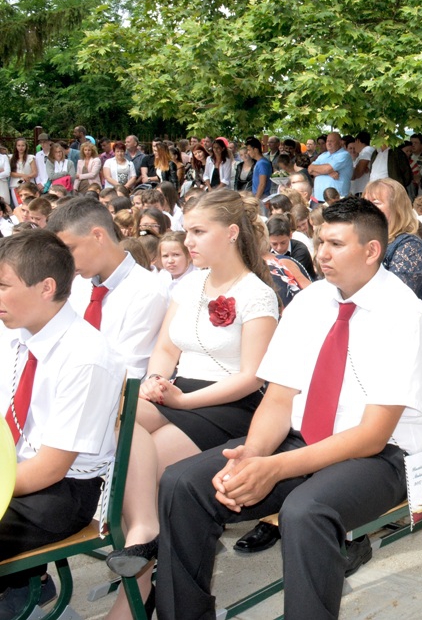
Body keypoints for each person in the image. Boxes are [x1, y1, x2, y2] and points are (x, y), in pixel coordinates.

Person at [155, 197, 422, 619]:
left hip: (383, 457)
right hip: (301, 439)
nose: (322, 254)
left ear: (371, 251)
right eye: (321, 242)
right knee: (182, 483)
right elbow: (279, 397)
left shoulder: (405, 315)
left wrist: (274, 468)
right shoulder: (311, 302)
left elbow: (373, 434)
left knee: (306, 511)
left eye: (336, 244)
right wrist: (253, 455)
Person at [101, 191, 279, 618]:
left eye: (198, 231)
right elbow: (166, 347)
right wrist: (155, 380)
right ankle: (146, 539)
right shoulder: (188, 284)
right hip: (178, 391)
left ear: (231, 233)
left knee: (143, 466)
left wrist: (183, 399)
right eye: (188, 231)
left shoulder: (257, 294)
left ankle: (137, 586)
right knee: (116, 421)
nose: (189, 242)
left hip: (229, 403)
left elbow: (251, 376)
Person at [0, 230, 125, 616]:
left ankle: (23, 588)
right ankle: (22, 588)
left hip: (63, 490)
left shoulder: (85, 355)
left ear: (46, 287)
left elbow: (51, 468)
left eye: (3, 286)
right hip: (13, 471)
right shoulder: (13, 335)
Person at [48, 197, 167, 379]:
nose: (65, 260)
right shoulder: (77, 285)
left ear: (98, 236)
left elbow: (128, 371)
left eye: (70, 249)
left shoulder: (148, 291)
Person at [365, 178, 422, 305]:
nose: (367, 208)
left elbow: (393, 298)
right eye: (365, 203)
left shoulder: (411, 247)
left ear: (396, 208)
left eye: (375, 203)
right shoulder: (364, 242)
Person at [267, 213, 316, 278]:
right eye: (274, 244)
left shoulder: (300, 250)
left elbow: (292, 276)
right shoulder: (265, 250)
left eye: (283, 243)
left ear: (290, 235)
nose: (279, 248)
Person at [308, 132, 354, 201]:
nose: (329, 143)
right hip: (317, 199)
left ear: (340, 142)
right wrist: (328, 172)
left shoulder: (344, 155)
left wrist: (326, 170)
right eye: (327, 141)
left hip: (336, 200)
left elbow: (327, 168)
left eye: (332, 141)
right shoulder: (323, 155)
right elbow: (310, 169)